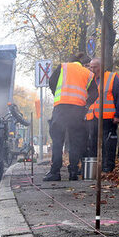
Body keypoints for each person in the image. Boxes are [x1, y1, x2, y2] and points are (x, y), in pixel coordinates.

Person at [43, 53, 97, 181]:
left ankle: (55, 172)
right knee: (75, 142)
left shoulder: (63, 67)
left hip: (61, 109)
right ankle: (73, 172)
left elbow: (51, 82)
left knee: (57, 141)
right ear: (83, 63)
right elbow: (95, 93)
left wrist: (57, 93)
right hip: (78, 110)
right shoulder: (88, 74)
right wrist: (86, 105)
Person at [85, 57, 119, 173]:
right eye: (91, 67)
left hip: (108, 117)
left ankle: (108, 167)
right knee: (92, 143)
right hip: (92, 117)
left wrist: (118, 115)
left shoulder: (112, 77)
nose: (92, 69)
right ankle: (94, 169)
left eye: (95, 67)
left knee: (108, 144)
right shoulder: (89, 80)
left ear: (101, 67)